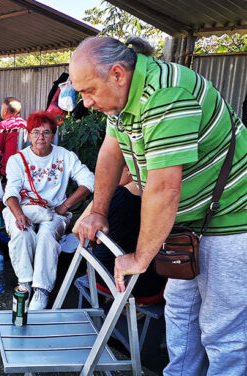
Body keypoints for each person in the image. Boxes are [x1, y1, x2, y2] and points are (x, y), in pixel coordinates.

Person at [70, 36, 246, 376]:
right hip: (189, 223)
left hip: (233, 219)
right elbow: (110, 154)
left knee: (222, 331)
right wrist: (97, 210)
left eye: (89, 91)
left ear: (118, 74)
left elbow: (163, 188)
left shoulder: (166, 95)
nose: (86, 102)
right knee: (179, 314)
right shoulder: (120, 102)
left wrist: (139, 257)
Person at [2, 111, 94, 310]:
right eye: (35, 132)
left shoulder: (65, 156)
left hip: (53, 211)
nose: (40, 138)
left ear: (53, 135)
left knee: (46, 234)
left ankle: (42, 289)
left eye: (46, 132)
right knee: (21, 232)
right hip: (22, 207)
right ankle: (24, 283)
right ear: (28, 135)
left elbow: (90, 181)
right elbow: (10, 192)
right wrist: (19, 215)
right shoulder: (17, 160)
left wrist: (65, 205)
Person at [73, 167, 166, 298]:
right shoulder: (163, 200)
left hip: (103, 277)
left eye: (115, 168)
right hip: (149, 288)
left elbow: (77, 230)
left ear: (129, 170)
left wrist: (96, 250)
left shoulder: (109, 196)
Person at [0, 97, 26, 177]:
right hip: (26, 170)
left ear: (5, 111)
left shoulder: (4, 125)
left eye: (1, 108)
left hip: (10, 172)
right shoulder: (26, 124)